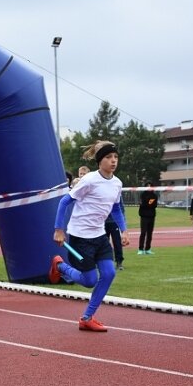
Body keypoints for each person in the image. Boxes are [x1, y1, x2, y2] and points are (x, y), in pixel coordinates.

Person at [49, 140, 129, 332]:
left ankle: (87, 317)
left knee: (109, 273)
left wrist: (124, 230)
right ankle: (59, 265)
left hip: (99, 236)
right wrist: (59, 229)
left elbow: (116, 208)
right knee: (89, 281)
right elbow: (64, 202)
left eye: (116, 157)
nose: (113, 161)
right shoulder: (90, 180)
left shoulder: (117, 183)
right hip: (80, 237)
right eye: (109, 157)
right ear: (100, 160)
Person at [104, 198, 126, 270]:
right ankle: (103, 262)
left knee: (117, 242)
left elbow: (121, 208)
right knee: (103, 244)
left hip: (114, 222)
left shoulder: (116, 193)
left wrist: (123, 227)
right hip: (103, 222)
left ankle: (119, 262)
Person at [137, 182, 158, 255]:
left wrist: (147, 204)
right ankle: (140, 249)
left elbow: (154, 205)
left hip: (152, 216)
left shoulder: (154, 195)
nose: (149, 187)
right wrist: (147, 203)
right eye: (147, 186)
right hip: (144, 216)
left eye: (150, 186)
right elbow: (143, 204)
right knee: (143, 232)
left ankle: (148, 249)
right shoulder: (142, 195)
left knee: (150, 233)